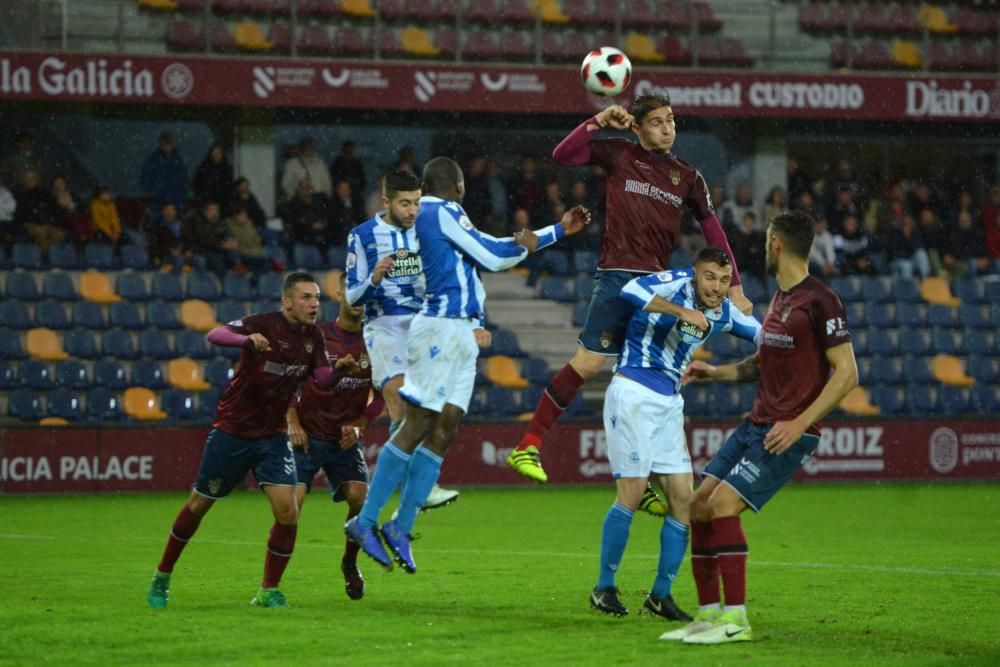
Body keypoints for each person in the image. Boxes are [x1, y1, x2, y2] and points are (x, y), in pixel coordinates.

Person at [344, 157, 589, 574]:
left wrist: (547, 234)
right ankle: (365, 521)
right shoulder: (441, 210)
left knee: (446, 425)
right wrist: (552, 233)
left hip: (460, 331)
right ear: (458, 185)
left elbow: (487, 254)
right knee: (418, 423)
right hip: (439, 326)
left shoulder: (441, 220)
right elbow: (495, 256)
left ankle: (401, 527)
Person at [506, 95, 751, 494]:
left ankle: (645, 479)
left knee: (642, 379)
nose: (667, 128)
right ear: (636, 128)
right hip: (618, 278)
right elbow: (563, 154)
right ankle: (529, 444)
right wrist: (599, 119)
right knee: (587, 365)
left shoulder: (688, 176)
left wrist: (735, 285)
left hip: (657, 288)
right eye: (656, 122)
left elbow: (713, 231)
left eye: (670, 120)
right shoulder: (618, 154)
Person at [661, 210, 857, 644]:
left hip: (786, 432)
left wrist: (800, 422)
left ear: (776, 244)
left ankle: (737, 620)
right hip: (756, 424)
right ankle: (709, 616)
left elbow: (847, 373)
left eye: (767, 239)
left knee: (724, 505)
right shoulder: (780, 301)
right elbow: (759, 365)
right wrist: (716, 374)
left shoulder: (820, 300)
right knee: (697, 506)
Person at [147, 272, 356, 609]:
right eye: (306, 297)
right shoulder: (264, 324)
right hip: (233, 431)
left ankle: (269, 590)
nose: (314, 303)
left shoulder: (313, 338)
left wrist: (341, 369)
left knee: (288, 512)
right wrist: (246, 341)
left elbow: (321, 378)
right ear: (287, 301)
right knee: (200, 504)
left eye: (317, 297)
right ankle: (162, 575)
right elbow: (216, 333)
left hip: (272, 437)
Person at [589, 247, 761, 620]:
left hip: (670, 403)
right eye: (709, 277)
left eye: (723, 280)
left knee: (684, 502)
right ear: (695, 274)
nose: (715, 287)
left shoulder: (725, 312)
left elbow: (766, 338)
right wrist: (679, 310)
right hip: (632, 390)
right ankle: (604, 587)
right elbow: (631, 290)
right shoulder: (674, 283)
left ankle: (660, 596)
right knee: (632, 494)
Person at [345, 168, 462, 514]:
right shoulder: (363, 236)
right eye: (405, 204)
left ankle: (413, 495)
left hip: (424, 326)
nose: (413, 211)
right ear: (386, 202)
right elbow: (352, 296)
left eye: (416, 203)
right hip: (385, 324)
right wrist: (376, 278)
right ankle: (419, 489)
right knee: (396, 395)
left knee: (426, 410)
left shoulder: (428, 230)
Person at [287, 272, 385, 601]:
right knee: (290, 509)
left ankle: (349, 563)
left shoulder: (377, 342)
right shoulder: (317, 336)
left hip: (344, 440)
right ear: (339, 293)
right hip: (308, 434)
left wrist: (361, 422)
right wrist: (293, 422)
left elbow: (384, 394)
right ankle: (271, 583)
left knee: (361, 499)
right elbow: (288, 379)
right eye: (352, 291)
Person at [140, 132, 188, 211]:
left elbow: (183, 180)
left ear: (172, 144)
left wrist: (180, 196)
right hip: (158, 201)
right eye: (165, 144)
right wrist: (154, 193)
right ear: (160, 144)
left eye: (169, 143)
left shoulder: (178, 161)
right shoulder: (153, 161)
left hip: (175, 201)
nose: (167, 146)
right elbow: (146, 180)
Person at [192, 143, 234, 207]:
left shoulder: (227, 169)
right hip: (205, 202)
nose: (216, 155)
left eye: (219, 153)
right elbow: (197, 184)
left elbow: (228, 187)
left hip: (222, 203)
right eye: (214, 152)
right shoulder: (204, 167)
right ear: (211, 154)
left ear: (222, 154)